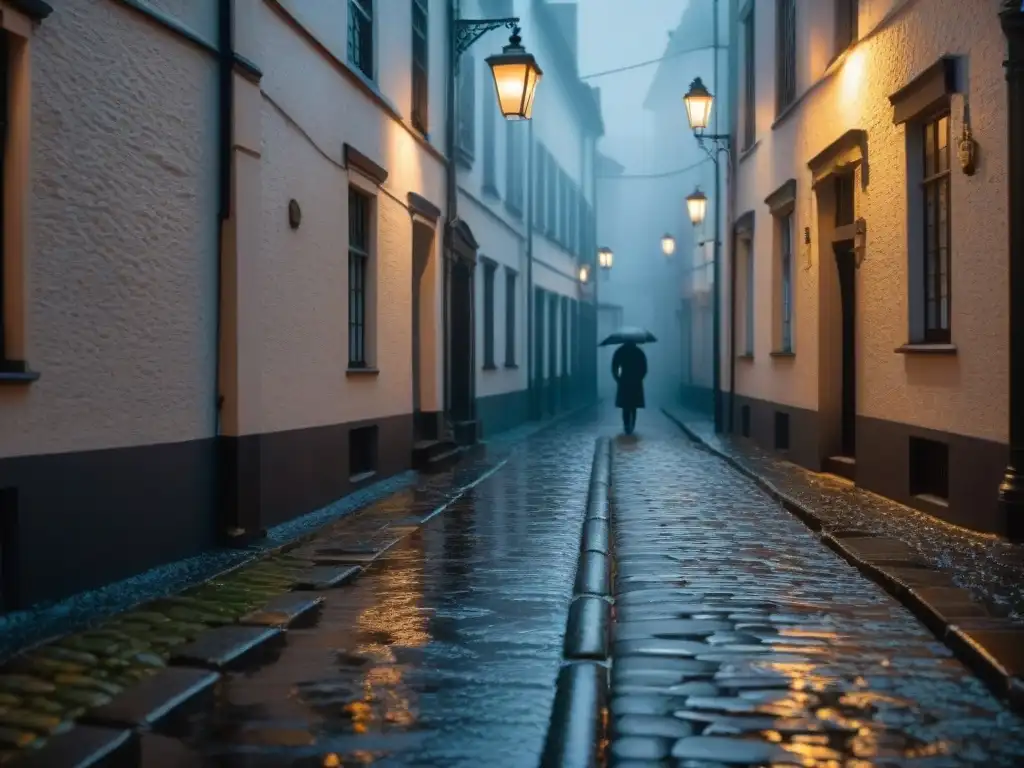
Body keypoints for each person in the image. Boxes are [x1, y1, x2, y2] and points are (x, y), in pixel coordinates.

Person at [612, 341, 647, 435]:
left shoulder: (620, 351)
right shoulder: (639, 352)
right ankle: (632, 425)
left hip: (624, 381)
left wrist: (618, 378)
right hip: (635, 382)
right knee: (633, 406)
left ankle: (627, 425)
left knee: (625, 406)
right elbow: (644, 368)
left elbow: (614, 366)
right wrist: (639, 377)